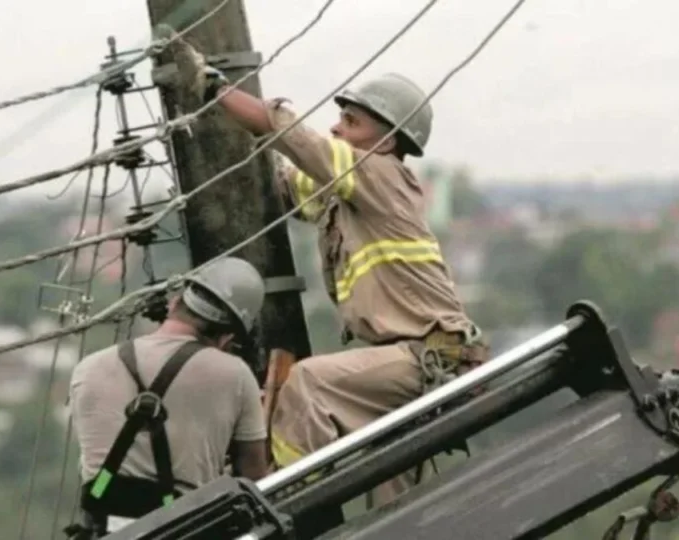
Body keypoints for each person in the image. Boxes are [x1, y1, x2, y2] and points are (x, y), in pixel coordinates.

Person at [167, 39, 490, 513]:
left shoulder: (379, 174)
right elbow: (292, 182)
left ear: (387, 140)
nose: (337, 129)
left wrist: (215, 88)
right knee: (392, 486)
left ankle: (293, 498)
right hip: (407, 362)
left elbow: (292, 135)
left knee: (309, 384)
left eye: (351, 122)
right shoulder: (351, 193)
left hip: (425, 356)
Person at [66, 256, 270, 538]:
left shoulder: (88, 368)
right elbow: (254, 478)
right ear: (226, 338)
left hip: (106, 529)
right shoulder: (235, 374)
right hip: (184, 529)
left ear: (174, 304)